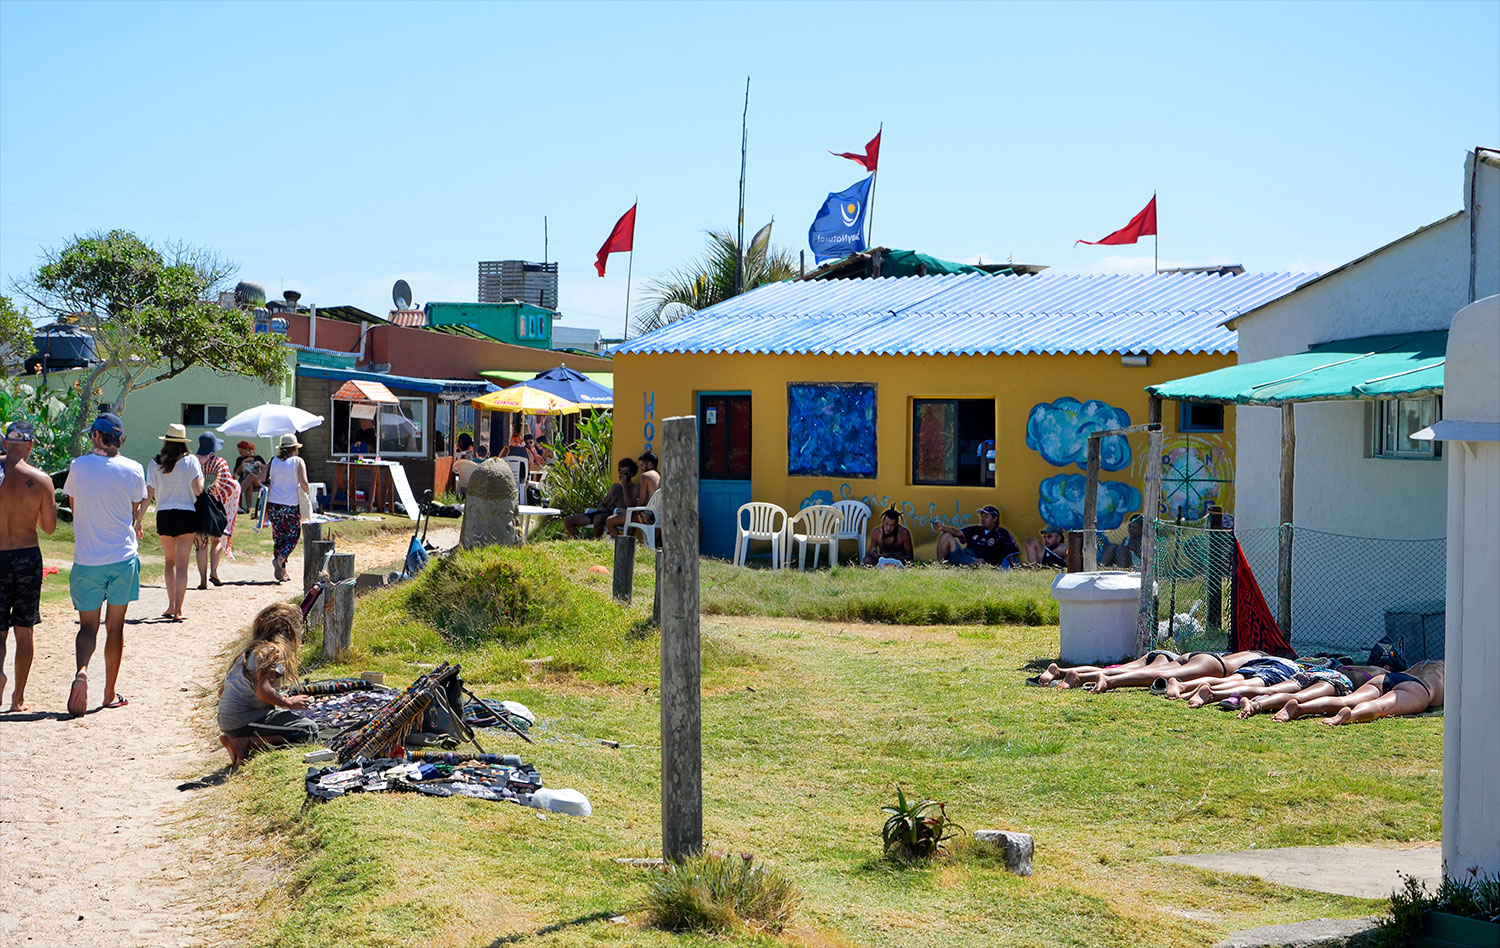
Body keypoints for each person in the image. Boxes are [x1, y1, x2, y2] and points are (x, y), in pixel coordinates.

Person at [63, 412, 147, 717]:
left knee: (87, 627)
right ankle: (109, 693)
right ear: (119, 439)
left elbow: (73, 505)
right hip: (123, 557)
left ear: (97, 437)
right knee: (115, 627)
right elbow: (135, 507)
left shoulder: (79, 466)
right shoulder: (134, 468)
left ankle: (82, 671)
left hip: (87, 559)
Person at [0, 420, 58, 713]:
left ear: (7, 444)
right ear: (31, 445)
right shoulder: (40, 479)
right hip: (26, 556)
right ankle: (17, 698)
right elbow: (48, 528)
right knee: (24, 631)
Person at [216, 601, 318, 765]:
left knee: (291, 723)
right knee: (308, 730)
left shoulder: (251, 651)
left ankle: (235, 739)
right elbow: (263, 691)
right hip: (242, 721)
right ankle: (245, 743)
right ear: (290, 631)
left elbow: (222, 692)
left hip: (227, 721)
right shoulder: (275, 652)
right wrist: (289, 703)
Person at [144, 423, 205, 621]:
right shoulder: (190, 461)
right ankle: (179, 610)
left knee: (169, 562)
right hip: (187, 514)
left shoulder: (155, 462)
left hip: (164, 514)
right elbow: (197, 490)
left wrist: (138, 518)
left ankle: (170, 605)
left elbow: (149, 492)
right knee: (182, 565)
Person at [1276, 661, 1445, 725]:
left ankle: (1300, 708)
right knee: (1379, 707)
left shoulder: (1423, 663)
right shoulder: (1449, 670)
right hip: (1419, 688)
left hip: (1388, 677)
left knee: (1347, 700)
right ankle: (1351, 716)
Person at [193, 432, 239, 589]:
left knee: (200, 543)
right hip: (215, 508)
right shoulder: (220, 463)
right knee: (216, 540)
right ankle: (214, 571)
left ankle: (202, 581)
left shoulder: (193, 461)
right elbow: (226, 485)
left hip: (197, 506)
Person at [265, 433, 311, 583]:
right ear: (295, 448)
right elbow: (304, 482)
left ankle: (283, 572)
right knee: (293, 536)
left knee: (279, 538)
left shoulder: (273, 461)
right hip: (291, 504)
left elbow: (260, 479)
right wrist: (308, 495)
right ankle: (281, 560)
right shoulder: (298, 461)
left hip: (274, 504)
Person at [564, 458, 639, 539]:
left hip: (615, 516)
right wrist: (601, 507)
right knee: (568, 521)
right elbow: (603, 503)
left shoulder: (635, 488)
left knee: (598, 519)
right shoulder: (615, 487)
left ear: (631, 474)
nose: (622, 476)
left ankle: (597, 541)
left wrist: (624, 486)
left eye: (625, 473)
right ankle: (580, 541)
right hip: (602, 513)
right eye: (620, 472)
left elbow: (630, 505)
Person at [934, 505, 1020, 568]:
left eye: (986, 517)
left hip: (981, 563)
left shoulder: (1002, 533)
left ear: (995, 519)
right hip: (964, 556)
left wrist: (1015, 567)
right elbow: (957, 532)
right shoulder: (975, 529)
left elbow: (1010, 553)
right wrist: (943, 528)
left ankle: (961, 570)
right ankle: (941, 567)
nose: (983, 519)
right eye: (982, 516)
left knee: (982, 561)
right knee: (946, 535)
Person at [606, 450, 660, 538]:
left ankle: (621, 546)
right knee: (631, 517)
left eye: (642, 465)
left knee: (610, 521)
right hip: (659, 517)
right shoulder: (660, 476)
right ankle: (627, 541)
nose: (641, 469)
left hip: (648, 517)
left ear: (649, 464)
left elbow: (641, 502)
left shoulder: (645, 476)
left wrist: (636, 504)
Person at [233, 441, 266, 513]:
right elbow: (238, 473)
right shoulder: (240, 459)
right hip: (246, 480)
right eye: (239, 451)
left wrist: (259, 464)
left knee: (251, 475)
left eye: (241, 451)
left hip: (257, 480)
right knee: (249, 485)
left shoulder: (257, 457)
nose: (240, 453)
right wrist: (243, 462)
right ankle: (249, 509)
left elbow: (265, 469)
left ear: (248, 450)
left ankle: (236, 494)